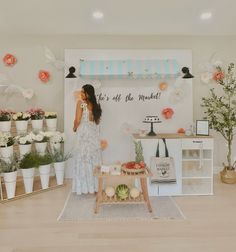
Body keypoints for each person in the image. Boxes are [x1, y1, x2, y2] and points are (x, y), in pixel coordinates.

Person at [72, 84, 102, 194]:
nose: (81, 94)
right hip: (93, 134)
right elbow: (97, 122)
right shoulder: (95, 105)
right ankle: (94, 187)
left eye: (83, 92)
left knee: (82, 159)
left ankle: (83, 188)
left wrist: (74, 128)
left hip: (83, 133)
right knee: (93, 159)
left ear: (88, 93)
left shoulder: (80, 103)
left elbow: (77, 120)